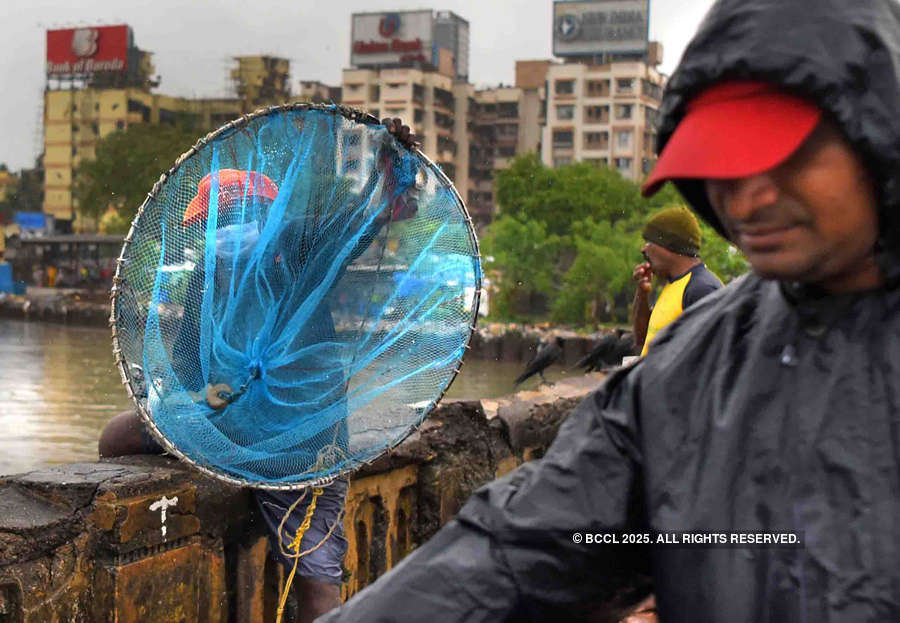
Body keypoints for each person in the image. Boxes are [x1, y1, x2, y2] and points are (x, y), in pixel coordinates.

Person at [317, 1, 900, 621]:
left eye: (782, 156)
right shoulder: (696, 363)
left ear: (875, 134)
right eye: (720, 166)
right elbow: (522, 546)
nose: (748, 199)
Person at [101, 117, 419, 623]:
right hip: (224, 429)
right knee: (117, 436)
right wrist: (201, 398)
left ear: (264, 217)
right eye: (214, 223)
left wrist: (393, 163)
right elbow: (186, 365)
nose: (222, 232)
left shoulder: (296, 252)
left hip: (297, 445)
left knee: (315, 576)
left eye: (232, 217)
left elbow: (366, 221)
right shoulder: (207, 281)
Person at [631, 206, 722, 355]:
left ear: (667, 246)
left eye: (649, 241)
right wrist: (642, 292)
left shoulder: (701, 289)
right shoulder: (674, 285)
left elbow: (711, 359)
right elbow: (641, 340)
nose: (643, 249)